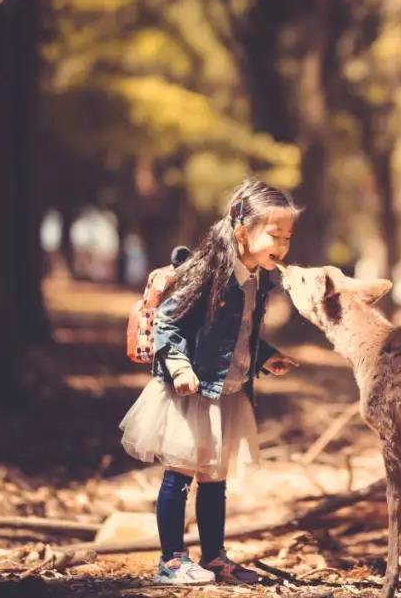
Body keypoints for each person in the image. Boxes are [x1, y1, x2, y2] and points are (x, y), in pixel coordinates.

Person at [120, 178, 300, 585]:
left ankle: (214, 555)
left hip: (227, 391)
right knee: (180, 473)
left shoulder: (259, 277)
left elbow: (241, 332)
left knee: (215, 479)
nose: (283, 244)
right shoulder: (209, 270)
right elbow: (170, 322)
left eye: (288, 235)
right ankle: (171, 560)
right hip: (191, 390)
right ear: (242, 230)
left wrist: (266, 357)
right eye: (275, 234)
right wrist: (180, 367)